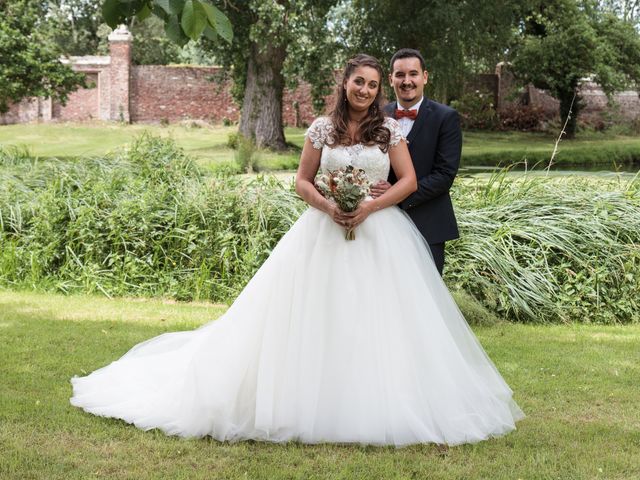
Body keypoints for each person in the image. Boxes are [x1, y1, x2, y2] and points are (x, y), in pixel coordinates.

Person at [70, 54, 523, 447]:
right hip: (321, 232)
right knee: (312, 315)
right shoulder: (321, 128)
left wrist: (370, 207)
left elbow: (407, 180)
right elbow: (301, 181)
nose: (365, 90)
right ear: (344, 83)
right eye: (358, 81)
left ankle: (380, 398)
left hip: (380, 233)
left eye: (372, 84)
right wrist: (329, 204)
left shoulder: (387, 129)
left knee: (381, 320)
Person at [371, 48, 462, 276]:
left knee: (427, 299)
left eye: (413, 74)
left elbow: (444, 175)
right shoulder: (376, 116)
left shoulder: (446, 117)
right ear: (391, 79)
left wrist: (397, 194)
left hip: (428, 224)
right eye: (400, 75)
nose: (407, 81)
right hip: (379, 223)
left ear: (425, 77)